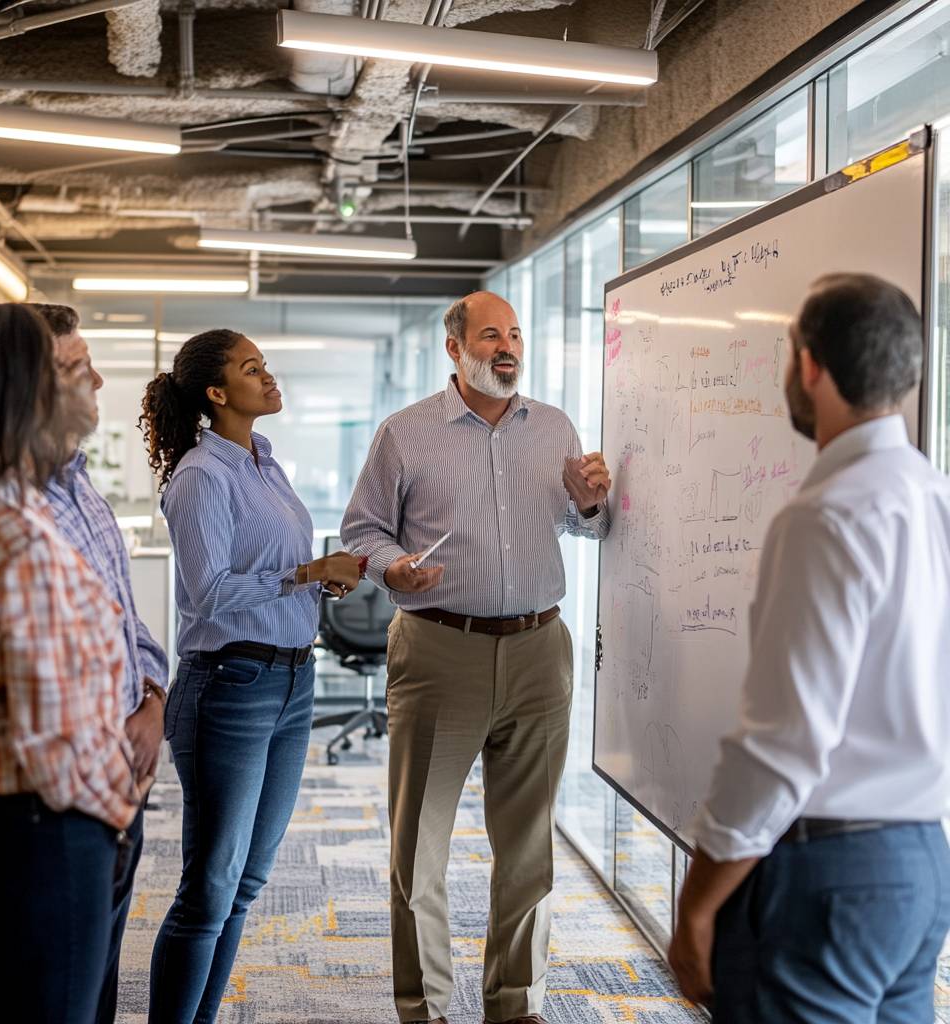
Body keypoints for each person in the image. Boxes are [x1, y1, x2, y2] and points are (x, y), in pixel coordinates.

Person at [668, 273, 950, 1023]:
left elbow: (785, 744)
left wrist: (697, 904)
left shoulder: (826, 517)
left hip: (826, 872)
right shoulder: (932, 494)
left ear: (811, 367)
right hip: (919, 862)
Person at [341, 290, 612, 1024]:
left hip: (537, 650)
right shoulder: (406, 433)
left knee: (528, 845)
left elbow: (585, 524)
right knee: (419, 848)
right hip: (439, 649)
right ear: (455, 349)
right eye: (491, 334)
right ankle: (423, 1004)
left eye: (516, 334)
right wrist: (393, 567)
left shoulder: (553, 427)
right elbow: (361, 529)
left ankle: (515, 1002)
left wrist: (589, 503)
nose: (508, 346)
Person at [140, 328, 362, 1024]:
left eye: (265, 365)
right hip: (229, 687)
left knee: (245, 883)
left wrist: (318, 587)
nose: (268, 377)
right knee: (208, 887)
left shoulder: (264, 462)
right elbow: (209, 593)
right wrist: (304, 573)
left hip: (293, 682)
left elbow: (267, 576)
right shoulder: (202, 475)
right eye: (251, 368)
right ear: (216, 393)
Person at [0, 303, 141, 1023]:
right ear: (19, 392)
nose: (93, 382)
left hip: (7, 830)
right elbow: (53, 745)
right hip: (39, 835)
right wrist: (116, 811)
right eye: (70, 370)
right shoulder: (6, 534)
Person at [33, 303, 169, 1021]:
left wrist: (151, 697)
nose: (99, 378)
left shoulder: (83, 487)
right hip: (55, 801)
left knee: (94, 987)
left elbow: (129, 621)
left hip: (121, 778)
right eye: (77, 366)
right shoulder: (4, 508)